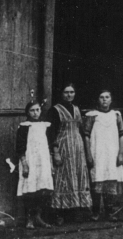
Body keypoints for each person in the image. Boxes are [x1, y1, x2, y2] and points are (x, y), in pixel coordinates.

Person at [47, 83, 92, 224]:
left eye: (72, 92)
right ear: (61, 93)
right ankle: (59, 213)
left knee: (78, 177)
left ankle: (76, 212)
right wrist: (55, 152)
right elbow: (51, 132)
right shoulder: (54, 110)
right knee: (62, 179)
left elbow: (81, 129)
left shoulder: (77, 109)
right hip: (63, 146)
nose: (69, 95)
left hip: (77, 148)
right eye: (66, 92)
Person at [83, 90, 123, 221]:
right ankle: (96, 212)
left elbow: (122, 135)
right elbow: (86, 136)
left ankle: (109, 212)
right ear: (98, 100)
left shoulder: (116, 115)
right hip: (98, 153)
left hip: (112, 154)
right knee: (98, 180)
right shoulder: (92, 115)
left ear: (111, 100)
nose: (104, 100)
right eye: (101, 97)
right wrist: (89, 155)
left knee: (110, 181)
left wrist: (121, 154)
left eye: (107, 97)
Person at [15, 101, 54, 229]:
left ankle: (38, 217)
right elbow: (20, 148)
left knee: (42, 190)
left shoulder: (45, 126)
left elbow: (49, 145)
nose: (35, 113)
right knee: (30, 190)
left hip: (43, 161)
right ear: (27, 112)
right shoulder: (24, 126)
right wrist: (25, 164)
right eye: (32, 110)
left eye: (37, 110)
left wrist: (50, 163)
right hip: (30, 161)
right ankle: (29, 219)